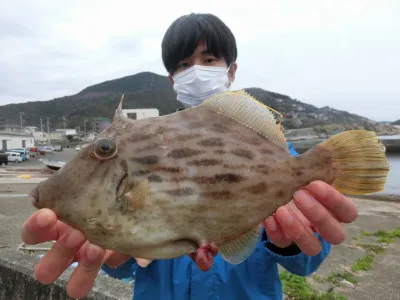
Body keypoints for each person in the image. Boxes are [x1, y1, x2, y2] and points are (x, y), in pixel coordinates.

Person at [21, 13, 358, 300]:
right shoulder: (148, 139)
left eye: (209, 60)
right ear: (172, 79)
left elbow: (308, 260)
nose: (197, 70)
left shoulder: (275, 153)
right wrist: (114, 254)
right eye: (184, 64)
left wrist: (289, 243)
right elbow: (126, 258)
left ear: (231, 70)